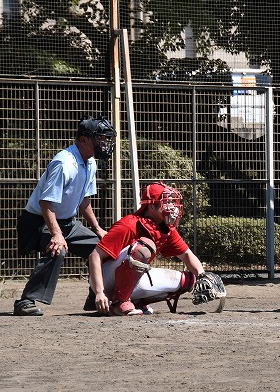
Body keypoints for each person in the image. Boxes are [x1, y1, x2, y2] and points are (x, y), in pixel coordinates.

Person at [13, 116, 116, 316]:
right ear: (84, 139)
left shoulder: (90, 163)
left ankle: (96, 298)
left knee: (102, 249)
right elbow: (45, 202)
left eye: (105, 139)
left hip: (68, 222)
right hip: (40, 220)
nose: (104, 144)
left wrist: (98, 229)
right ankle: (25, 301)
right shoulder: (64, 163)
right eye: (99, 139)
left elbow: (83, 199)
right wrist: (56, 234)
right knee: (57, 249)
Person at [87, 182, 212, 315]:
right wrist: (99, 292)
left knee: (187, 280)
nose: (172, 206)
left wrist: (202, 277)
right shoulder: (129, 225)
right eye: (167, 202)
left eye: (172, 202)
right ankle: (120, 303)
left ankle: (136, 301)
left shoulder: (166, 229)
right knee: (143, 247)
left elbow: (187, 255)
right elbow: (95, 256)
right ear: (151, 206)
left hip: (129, 278)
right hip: (105, 279)